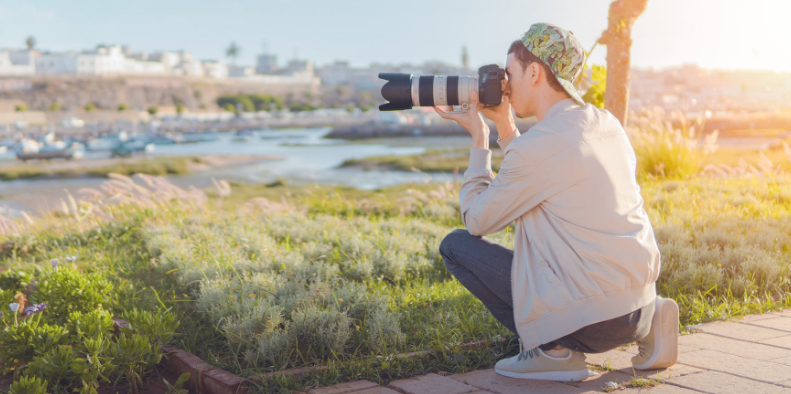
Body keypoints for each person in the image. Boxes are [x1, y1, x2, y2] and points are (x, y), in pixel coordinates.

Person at [434, 23, 679, 382]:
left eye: (510, 73)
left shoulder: (539, 147)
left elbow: (477, 220)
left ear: (534, 72)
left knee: (455, 245)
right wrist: (505, 123)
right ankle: (653, 322)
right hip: (636, 305)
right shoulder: (606, 124)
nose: (504, 84)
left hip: (590, 323)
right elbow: (540, 167)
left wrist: (479, 140)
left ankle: (552, 350)